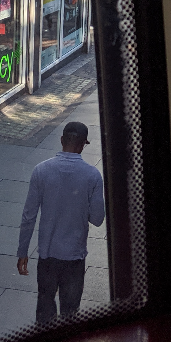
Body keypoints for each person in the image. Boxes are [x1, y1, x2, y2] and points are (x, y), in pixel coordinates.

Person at [17, 121, 105, 322]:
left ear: (62, 140)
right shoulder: (93, 176)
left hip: (48, 257)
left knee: (45, 308)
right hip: (74, 258)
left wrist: (23, 252)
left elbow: (28, 216)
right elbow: (98, 219)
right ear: (83, 145)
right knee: (70, 313)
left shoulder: (41, 170)